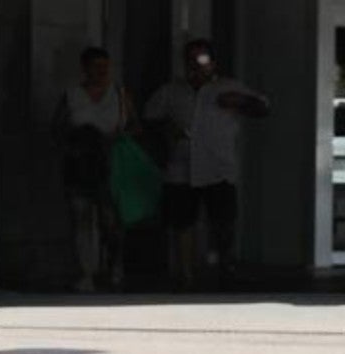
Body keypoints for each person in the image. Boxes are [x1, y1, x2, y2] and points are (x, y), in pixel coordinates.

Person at [145, 39, 269, 289]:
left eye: (202, 59)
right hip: (182, 167)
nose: (196, 64)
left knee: (223, 221)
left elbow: (263, 107)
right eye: (191, 59)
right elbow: (149, 117)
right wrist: (167, 131)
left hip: (218, 167)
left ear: (213, 62)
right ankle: (186, 275)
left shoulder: (229, 87)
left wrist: (240, 102)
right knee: (182, 223)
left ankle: (225, 268)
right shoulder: (172, 91)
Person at [52, 47, 139, 292]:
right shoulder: (72, 95)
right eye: (95, 66)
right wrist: (72, 144)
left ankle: (114, 265)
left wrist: (119, 138)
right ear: (85, 68)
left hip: (110, 163)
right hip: (80, 163)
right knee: (80, 217)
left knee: (110, 219)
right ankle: (86, 272)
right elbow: (56, 129)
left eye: (105, 66)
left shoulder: (119, 94)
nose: (101, 71)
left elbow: (135, 126)